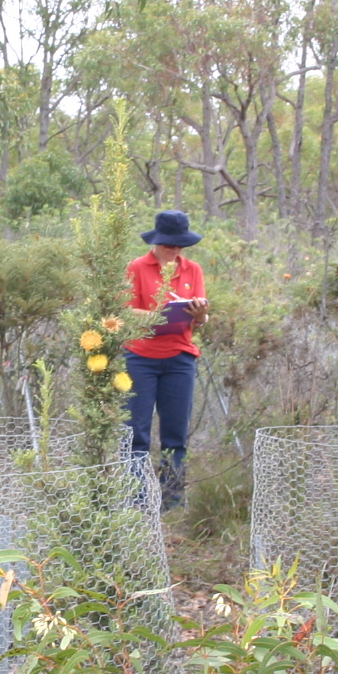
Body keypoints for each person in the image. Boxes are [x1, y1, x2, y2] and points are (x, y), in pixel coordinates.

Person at [124, 210, 207, 511]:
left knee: (175, 433)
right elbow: (125, 310)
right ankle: (135, 500)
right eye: (169, 245)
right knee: (136, 433)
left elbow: (200, 318)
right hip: (140, 357)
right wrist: (159, 314)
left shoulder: (192, 270)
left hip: (180, 357)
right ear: (157, 242)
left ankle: (171, 501)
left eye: (179, 245)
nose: (174, 251)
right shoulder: (136, 267)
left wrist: (199, 314)